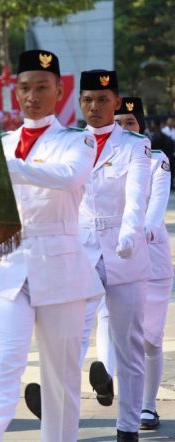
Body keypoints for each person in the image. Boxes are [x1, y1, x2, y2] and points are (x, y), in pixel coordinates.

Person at [0, 50, 104, 442]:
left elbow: (69, 178)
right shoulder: (2, 144)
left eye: (42, 87)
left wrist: (11, 169)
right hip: (9, 264)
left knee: (59, 374)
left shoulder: (77, 142)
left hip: (59, 264)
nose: (32, 96)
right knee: (5, 356)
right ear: (15, 93)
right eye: (25, 88)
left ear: (60, 91)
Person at [77, 70, 151, 442]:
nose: (94, 107)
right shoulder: (71, 143)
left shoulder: (135, 145)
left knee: (129, 343)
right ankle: (62, 411)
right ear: (79, 103)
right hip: (80, 250)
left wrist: (128, 232)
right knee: (71, 335)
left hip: (124, 250)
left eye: (102, 100)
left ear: (116, 102)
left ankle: (128, 427)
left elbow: (138, 194)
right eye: (87, 100)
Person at [99, 97, 171, 431]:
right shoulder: (104, 158)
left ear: (141, 126)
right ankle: (107, 377)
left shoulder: (156, 160)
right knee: (107, 317)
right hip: (114, 253)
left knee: (150, 339)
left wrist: (149, 227)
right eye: (120, 122)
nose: (126, 128)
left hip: (151, 254)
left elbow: (156, 201)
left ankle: (148, 405)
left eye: (131, 122)